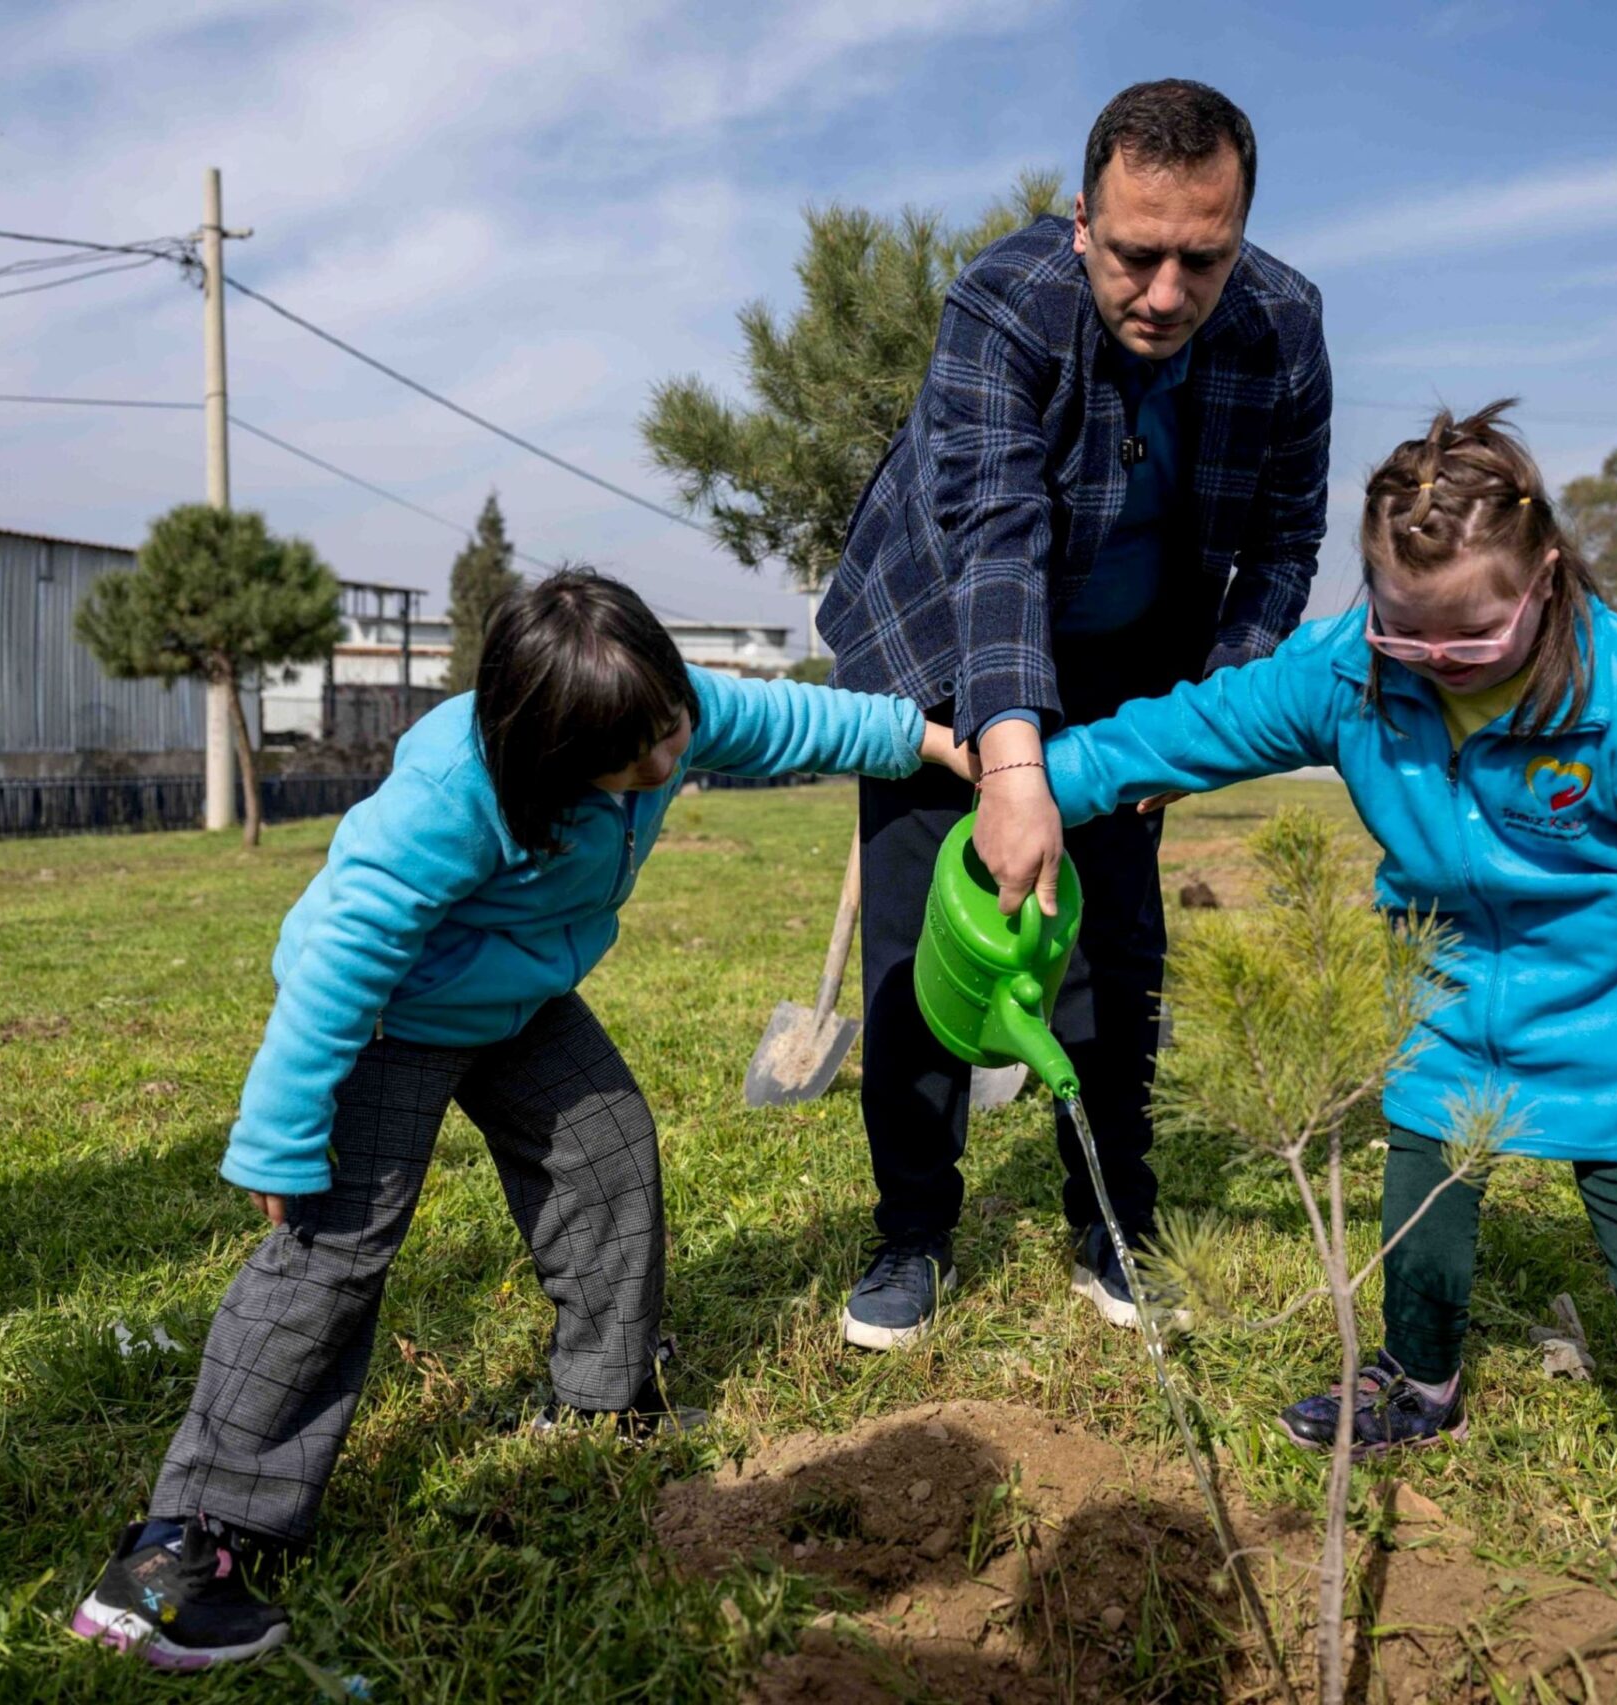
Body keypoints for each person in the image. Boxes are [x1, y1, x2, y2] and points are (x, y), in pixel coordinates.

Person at [69, 570, 968, 1670]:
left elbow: (783, 718)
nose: (660, 766)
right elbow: (346, 952)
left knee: (606, 1149)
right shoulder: (457, 782)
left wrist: (923, 739)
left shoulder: (655, 705)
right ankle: (179, 1548)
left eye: (667, 733)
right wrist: (282, 1132)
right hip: (394, 1014)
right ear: (540, 746)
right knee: (332, 1253)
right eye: (628, 756)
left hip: (515, 999)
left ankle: (602, 1400)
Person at [1038, 403, 1617, 1568]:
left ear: (1546, 583)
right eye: (1401, 631)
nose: (1429, 660)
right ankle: (1417, 1382)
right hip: (1446, 976)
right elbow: (1204, 723)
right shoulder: (1352, 670)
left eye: (1464, 641)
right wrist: (1043, 779)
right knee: (1421, 1185)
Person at [817, 78, 1332, 1350]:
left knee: (1112, 954)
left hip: (1132, 679)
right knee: (926, 950)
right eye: (1137, 254)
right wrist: (1009, 765)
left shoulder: (1284, 328)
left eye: (1200, 258)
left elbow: (1282, 544)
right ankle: (912, 1232)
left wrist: (1204, 718)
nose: (1164, 292)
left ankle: (1113, 1223)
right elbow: (996, 541)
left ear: (1241, 232)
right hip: (945, 648)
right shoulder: (1005, 303)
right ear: (1085, 223)